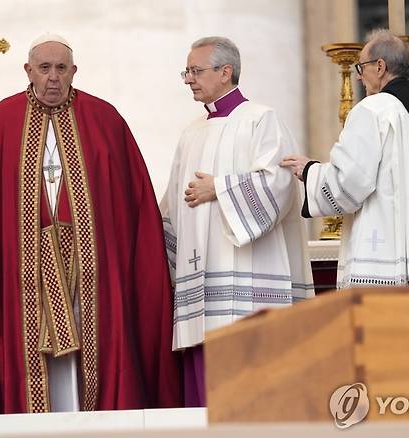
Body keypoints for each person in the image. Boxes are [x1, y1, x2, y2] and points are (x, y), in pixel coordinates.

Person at [0, 34, 182, 415]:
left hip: (92, 274)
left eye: (61, 68)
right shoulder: (0, 122)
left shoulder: (104, 120)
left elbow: (132, 204)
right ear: (28, 71)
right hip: (24, 273)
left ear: (74, 71)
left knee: (94, 344)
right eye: (44, 68)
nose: (53, 78)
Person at [160, 36, 314, 407]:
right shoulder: (191, 132)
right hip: (200, 281)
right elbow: (171, 205)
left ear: (225, 72)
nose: (188, 79)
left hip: (248, 279)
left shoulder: (261, 120)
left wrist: (220, 189)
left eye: (195, 71)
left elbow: (278, 183)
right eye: (187, 71)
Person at [281, 29, 409, 288]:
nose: (359, 77)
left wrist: (310, 171)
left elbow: (350, 183)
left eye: (360, 68)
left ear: (380, 66)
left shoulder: (372, 111)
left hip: (387, 272)